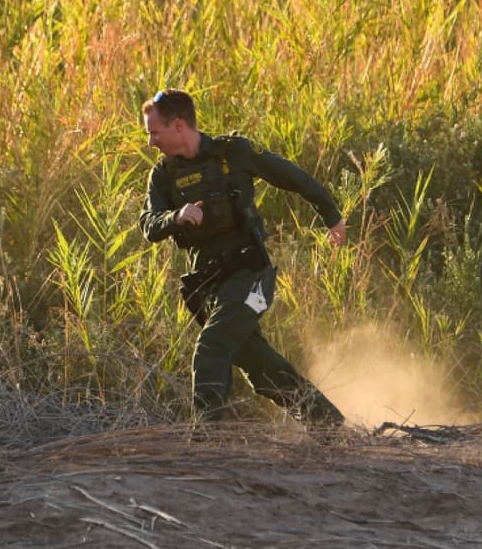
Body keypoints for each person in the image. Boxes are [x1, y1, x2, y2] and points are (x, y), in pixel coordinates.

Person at [138, 88, 346, 428]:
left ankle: (205, 442)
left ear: (178, 126)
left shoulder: (233, 152)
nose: (151, 141)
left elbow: (290, 175)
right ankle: (329, 425)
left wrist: (331, 215)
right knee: (260, 367)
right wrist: (175, 217)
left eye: (154, 132)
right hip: (208, 288)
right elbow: (148, 223)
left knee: (211, 347)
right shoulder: (162, 176)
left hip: (251, 276)